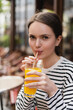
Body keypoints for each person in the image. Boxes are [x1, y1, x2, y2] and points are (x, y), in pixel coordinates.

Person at [16, 11, 73, 110]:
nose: (37, 44)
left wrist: (52, 91)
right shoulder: (35, 68)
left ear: (58, 40)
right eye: (32, 37)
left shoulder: (69, 72)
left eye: (45, 37)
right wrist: (28, 80)